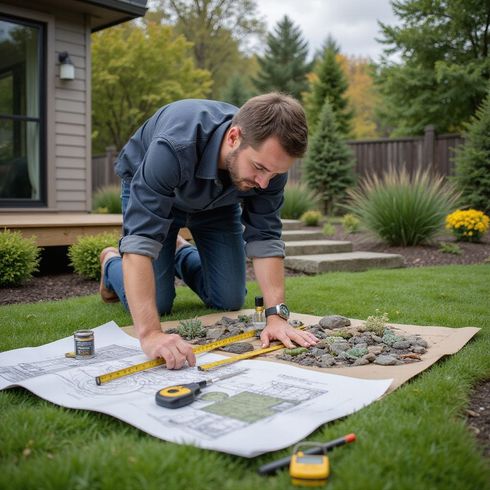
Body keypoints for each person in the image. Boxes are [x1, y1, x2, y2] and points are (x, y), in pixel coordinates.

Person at [99, 92, 319, 369]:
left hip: (219, 202)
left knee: (229, 298)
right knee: (159, 303)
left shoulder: (269, 167)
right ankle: (110, 263)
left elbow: (265, 238)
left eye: (273, 174)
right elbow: (140, 242)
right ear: (233, 137)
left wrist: (276, 317)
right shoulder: (174, 146)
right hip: (159, 196)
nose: (265, 184)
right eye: (259, 168)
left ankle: (178, 252)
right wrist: (151, 335)